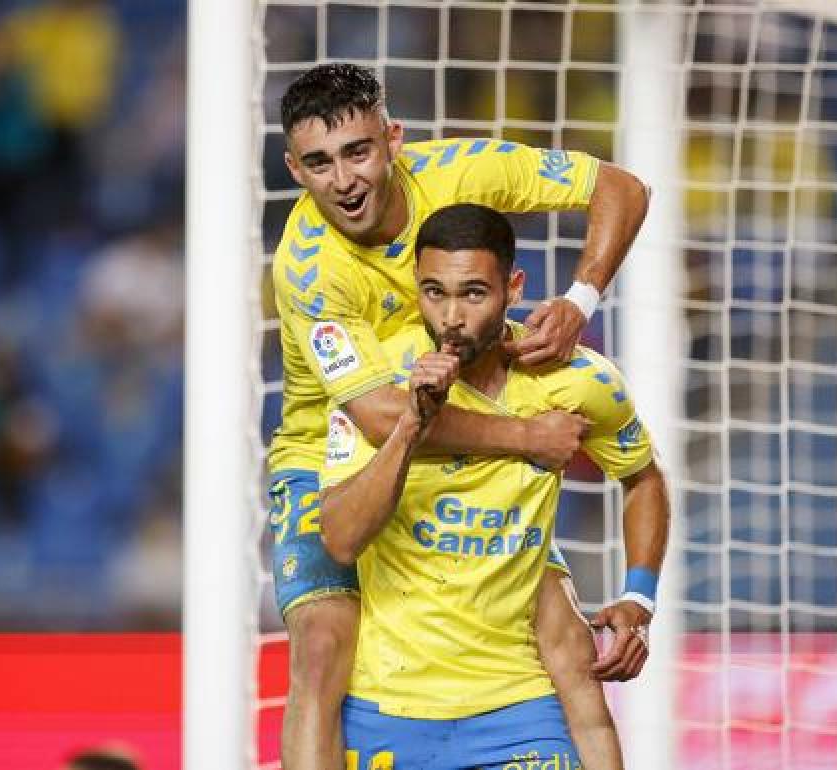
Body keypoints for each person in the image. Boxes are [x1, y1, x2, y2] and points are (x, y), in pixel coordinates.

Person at [269, 63, 650, 768]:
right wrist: (528, 437)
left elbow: (620, 187)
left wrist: (581, 299)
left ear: (394, 139)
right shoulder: (307, 268)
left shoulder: (461, 171)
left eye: (358, 152)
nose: (344, 180)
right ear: (294, 169)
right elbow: (382, 417)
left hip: (469, 436)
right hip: (331, 450)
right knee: (322, 646)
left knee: (567, 639)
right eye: (319, 163)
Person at [318, 203, 670, 768]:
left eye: (474, 294)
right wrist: (412, 424)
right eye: (434, 292)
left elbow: (643, 478)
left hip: (520, 705)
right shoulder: (377, 383)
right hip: (391, 706)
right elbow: (339, 539)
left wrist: (639, 596)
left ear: (514, 288)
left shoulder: (577, 381)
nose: (451, 316)